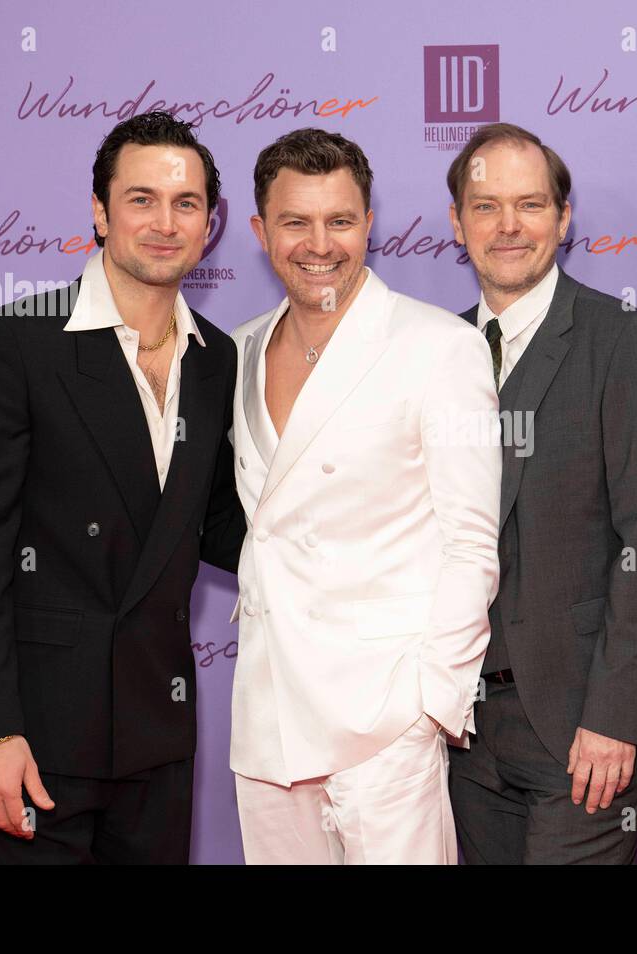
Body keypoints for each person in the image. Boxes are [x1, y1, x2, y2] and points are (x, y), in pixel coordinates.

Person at [0, 111, 245, 864]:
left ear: (211, 221)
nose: (164, 223)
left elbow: (212, 528)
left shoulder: (217, 359)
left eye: (186, 203)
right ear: (100, 211)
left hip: (158, 743)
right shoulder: (11, 344)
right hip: (34, 745)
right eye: (141, 200)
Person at [228, 128, 500, 864]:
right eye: (295, 222)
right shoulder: (239, 348)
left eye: (341, 221)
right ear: (259, 230)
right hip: (268, 716)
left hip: (382, 723)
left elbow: (472, 543)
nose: (321, 244)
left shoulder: (437, 347)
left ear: (368, 225)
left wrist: (427, 708)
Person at [445, 123, 637, 864]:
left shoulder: (623, 342)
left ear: (563, 217)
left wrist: (617, 716)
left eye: (530, 204)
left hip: (584, 726)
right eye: (486, 207)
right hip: (463, 733)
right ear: (457, 224)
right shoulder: (436, 353)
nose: (509, 226)